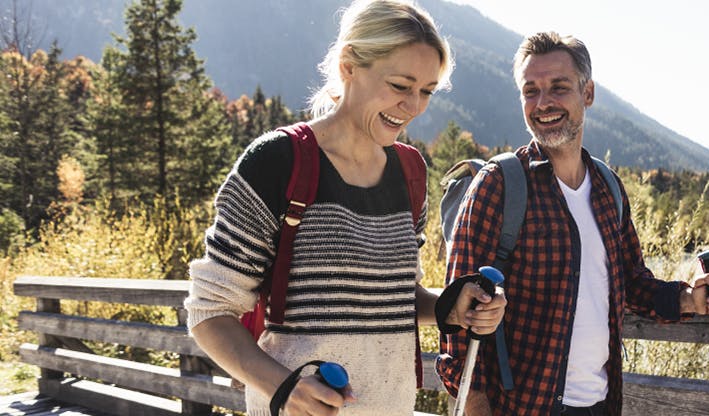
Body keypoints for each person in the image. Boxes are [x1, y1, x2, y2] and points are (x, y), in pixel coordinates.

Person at [183, 1, 506, 415]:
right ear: (349, 65)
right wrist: (285, 389)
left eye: (426, 90)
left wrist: (448, 306)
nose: (414, 106)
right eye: (400, 85)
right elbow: (210, 312)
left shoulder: (409, 173)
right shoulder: (277, 162)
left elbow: (390, 299)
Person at [436, 31, 709, 416]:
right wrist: (473, 406)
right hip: (523, 408)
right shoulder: (498, 184)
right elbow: (457, 319)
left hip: (601, 404)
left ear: (587, 93)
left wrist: (690, 299)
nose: (543, 103)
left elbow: (632, 283)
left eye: (558, 88)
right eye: (531, 91)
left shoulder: (609, 189)